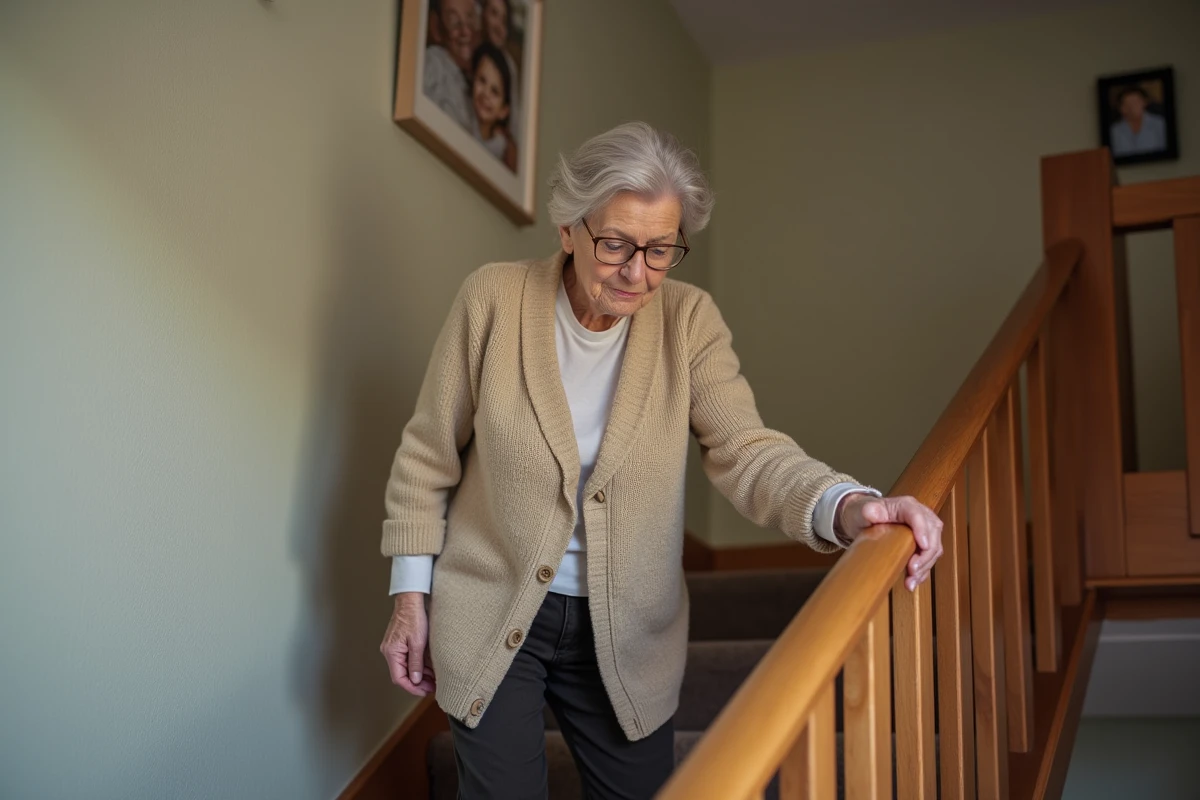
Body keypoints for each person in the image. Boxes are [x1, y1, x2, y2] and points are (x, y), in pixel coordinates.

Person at [379, 121, 945, 799]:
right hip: (493, 605)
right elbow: (427, 456)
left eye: (660, 250)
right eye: (616, 243)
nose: (637, 272)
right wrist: (410, 599)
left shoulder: (688, 321)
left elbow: (747, 451)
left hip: (628, 630)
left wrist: (848, 505)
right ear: (569, 228)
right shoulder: (493, 300)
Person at [423, 0, 478, 131]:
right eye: (454, 22)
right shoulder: (434, 61)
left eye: (470, 19)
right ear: (436, 26)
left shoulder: (472, 77)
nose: (465, 31)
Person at [470, 42, 518, 171]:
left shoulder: (503, 150)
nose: (486, 93)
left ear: (504, 111)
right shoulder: (460, 119)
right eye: (482, 80)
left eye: (495, 91)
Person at [481, 0, 521, 143]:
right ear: (482, 13)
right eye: (494, 13)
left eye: (504, 21)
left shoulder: (509, 68)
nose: (498, 26)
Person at [1110, 85, 1167, 156]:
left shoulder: (1160, 123)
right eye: (1128, 104)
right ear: (1122, 108)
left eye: (1136, 102)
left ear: (1145, 102)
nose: (1132, 108)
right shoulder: (1115, 130)